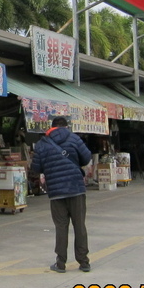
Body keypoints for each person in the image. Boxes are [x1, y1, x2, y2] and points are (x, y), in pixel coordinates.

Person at [31, 116, 93, 273]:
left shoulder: (41, 144)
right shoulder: (74, 138)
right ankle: (84, 262)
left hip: (56, 191)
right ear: (66, 126)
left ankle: (60, 263)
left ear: (51, 127)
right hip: (76, 188)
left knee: (61, 226)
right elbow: (86, 158)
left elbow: (36, 168)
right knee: (79, 226)